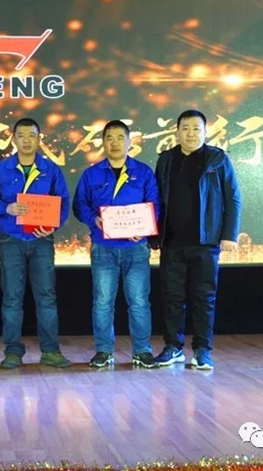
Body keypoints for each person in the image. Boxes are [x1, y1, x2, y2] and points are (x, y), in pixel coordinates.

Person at [152, 109, 241, 370]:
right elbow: (155, 200)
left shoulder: (217, 159)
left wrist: (229, 235)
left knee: (204, 298)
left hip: (206, 243)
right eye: (185, 128)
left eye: (196, 129)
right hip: (172, 243)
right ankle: (173, 347)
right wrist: (154, 234)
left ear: (205, 132)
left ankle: (202, 350)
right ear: (177, 132)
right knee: (172, 298)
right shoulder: (166, 159)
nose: (191, 134)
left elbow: (233, 198)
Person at [0, 117, 72, 369]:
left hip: (41, 240)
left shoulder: (51, 170)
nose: (27, 140)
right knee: (12, 297)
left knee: (47, 296)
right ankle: (12, 351)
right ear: (14, 139)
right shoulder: (1, 169)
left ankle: (50, 350)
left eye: (32, 135)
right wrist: (6, 207)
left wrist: (53, 225)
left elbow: (63, 202)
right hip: (11, 239)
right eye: (21, 135)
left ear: (39, 139)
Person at [72, 120, 160, 369]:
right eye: (109, 138)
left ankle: (142, 351)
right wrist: (94, 219)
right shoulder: (91, 174)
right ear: (103, 142)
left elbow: (155, 204)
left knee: (139, 301)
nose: (115, 142)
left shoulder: (143, 172)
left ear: (129, 142)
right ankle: (103, 350)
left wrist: (144, 227)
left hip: (136, 247)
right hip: (103, 247)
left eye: (120, 137)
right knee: (102, 302)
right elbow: (80, 205)